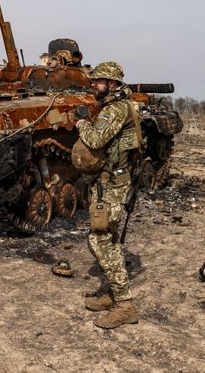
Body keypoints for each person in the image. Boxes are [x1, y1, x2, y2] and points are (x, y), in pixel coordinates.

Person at [75, 61, 142, 329]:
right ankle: (113, 294)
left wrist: (81, 122)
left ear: (112, 85)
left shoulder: (115, 109)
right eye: (93, 80)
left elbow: (94, 140)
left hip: (112, 183)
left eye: (99, 81)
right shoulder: (118, 106)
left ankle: (125, 306)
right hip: (110, 180)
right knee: (108, 238)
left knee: (100, 239)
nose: (93, 84)